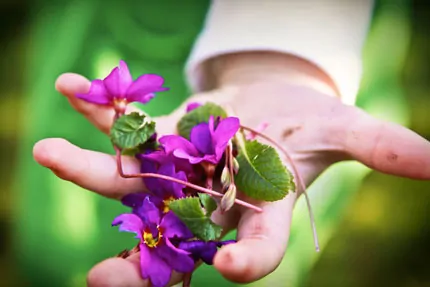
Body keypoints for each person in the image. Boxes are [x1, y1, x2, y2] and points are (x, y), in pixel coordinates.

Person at [26, 1, 430, 286]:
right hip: (131, 30)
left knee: (253, 230)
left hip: (311, 61)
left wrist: (280, 60)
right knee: (65, 220)